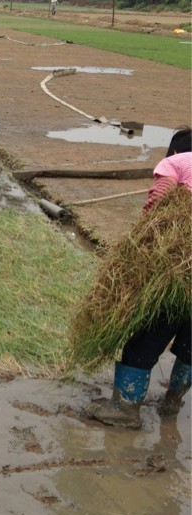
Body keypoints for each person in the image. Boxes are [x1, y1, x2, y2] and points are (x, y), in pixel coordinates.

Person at [87, 127, 191, 429]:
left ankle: (125, 410)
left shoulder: (176, 162)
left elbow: (159, 200)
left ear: (173, 151)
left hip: (180, 274)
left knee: (145, 340)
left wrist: (143, 237)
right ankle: (172, 402)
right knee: (190, 345)